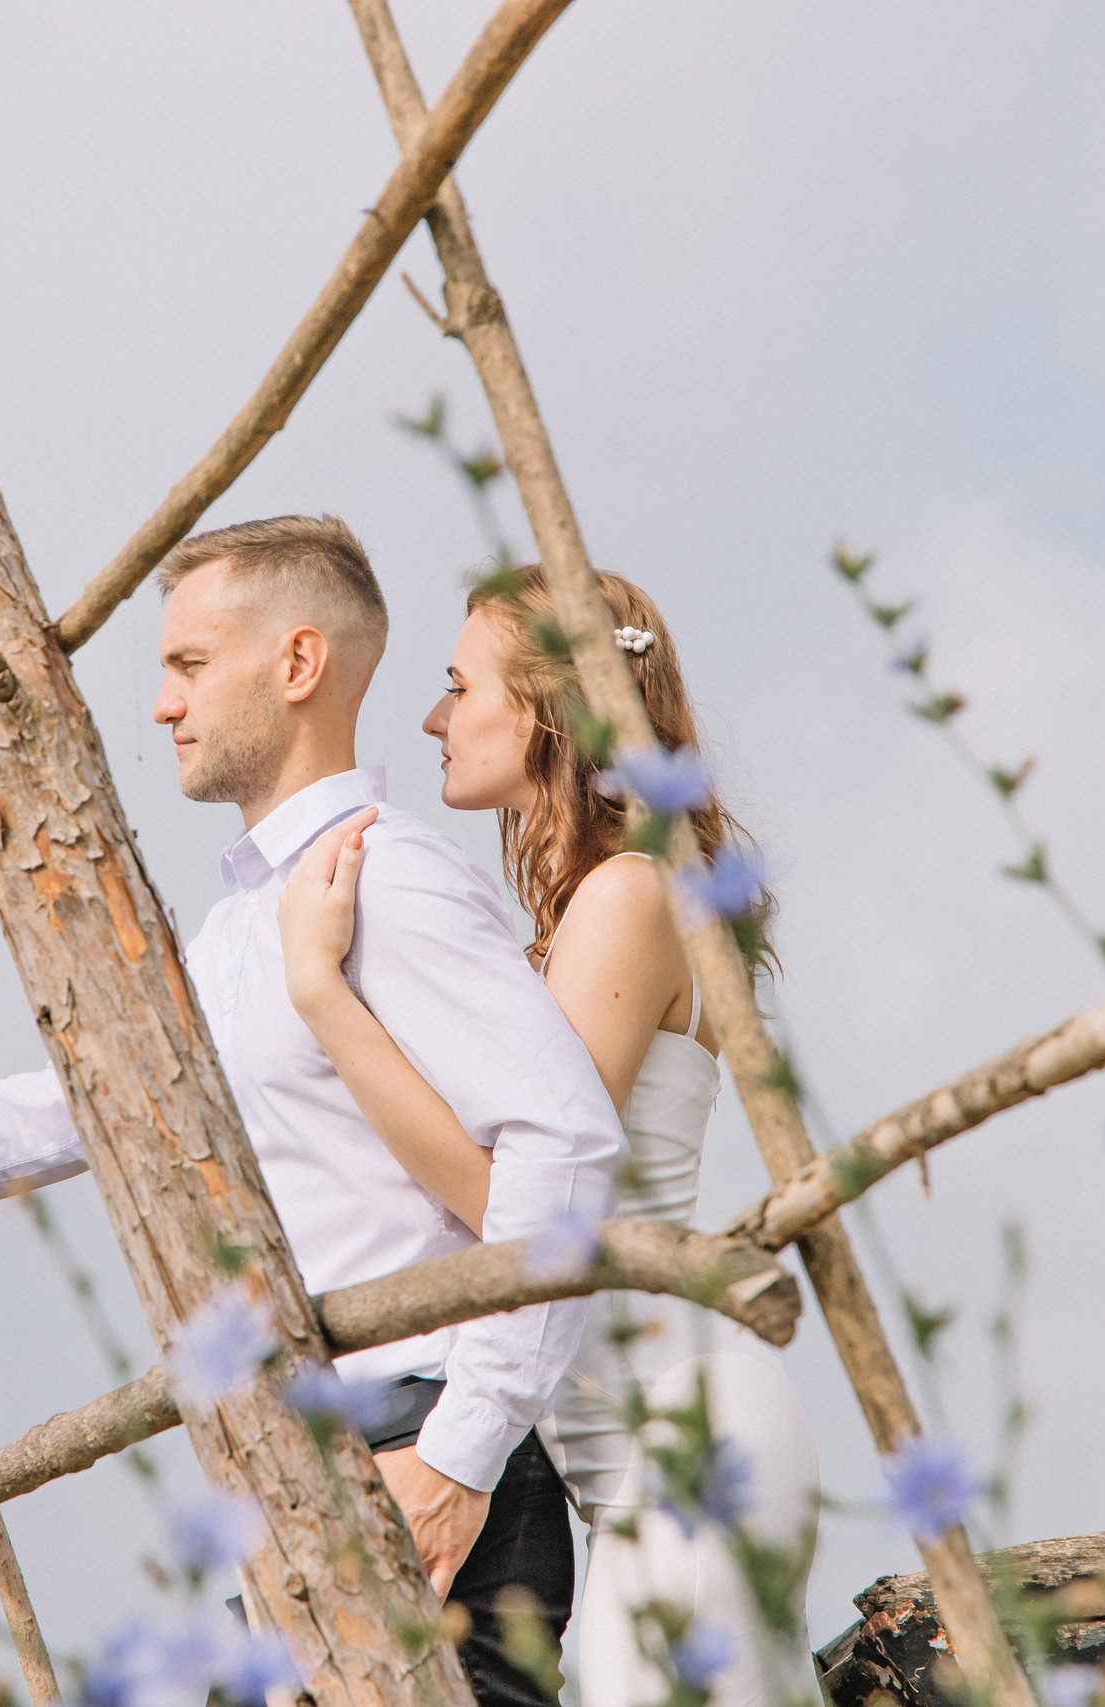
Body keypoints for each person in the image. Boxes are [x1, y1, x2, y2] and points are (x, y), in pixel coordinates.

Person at [0, 515, 624, 1707]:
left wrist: (461, 1454)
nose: (158, 707)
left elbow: (565, 1138)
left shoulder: (385, 877)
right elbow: (77, 1108)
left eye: (189, 666)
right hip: (300, 1476)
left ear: (297, 667)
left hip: (422, 1449)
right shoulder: (249, 918)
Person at [273, 566, 822, 1707]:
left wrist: (324, 1000)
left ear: (548, 708)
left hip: (678, 1443)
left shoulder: (626, 895)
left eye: (456, 683)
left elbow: (521, 1205)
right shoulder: (587, 909)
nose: (431, 717)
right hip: (618, 1463)